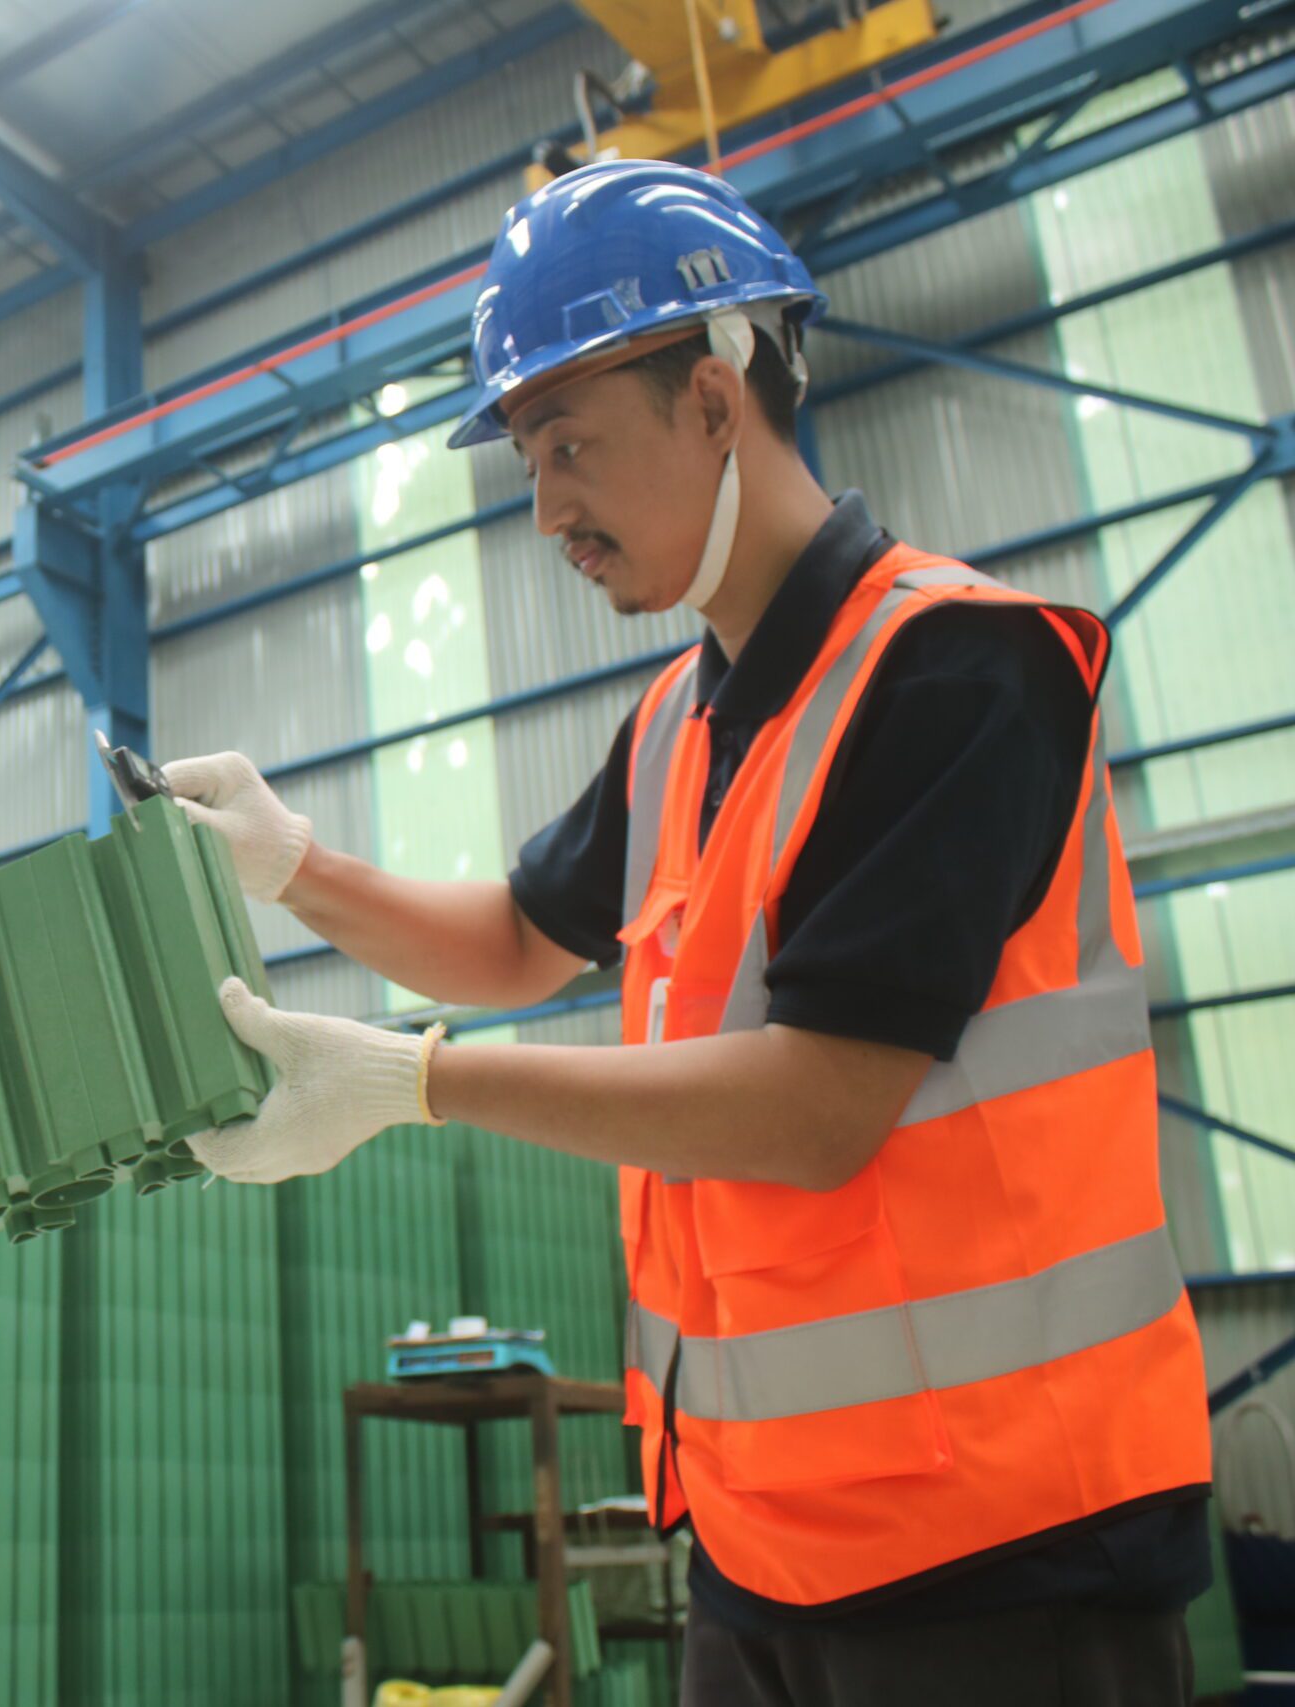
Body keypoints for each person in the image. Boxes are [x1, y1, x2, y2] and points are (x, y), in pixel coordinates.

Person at [170, 162, 1212, 1706]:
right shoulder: (682, 725)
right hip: (754, 1536)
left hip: (1001, 1548)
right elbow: (523, 940)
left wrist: (414, 1086)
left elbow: (813, 1111)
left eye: (569, 446)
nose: (547, 514)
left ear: (717, 405)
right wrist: (292, 864)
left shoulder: (955, 673)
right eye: (529, 463)